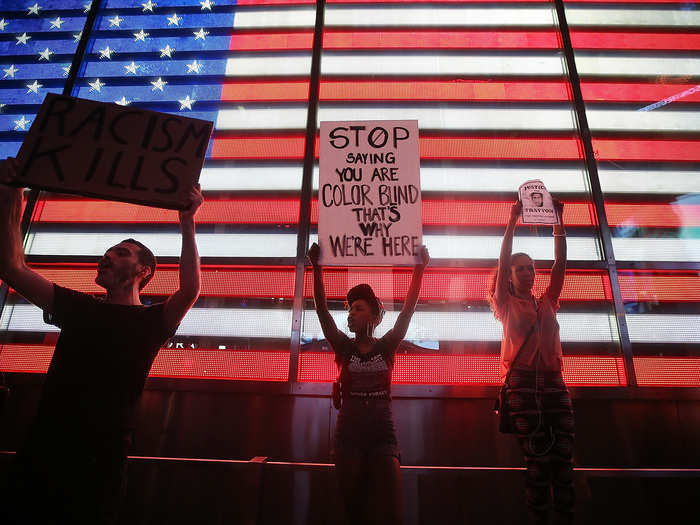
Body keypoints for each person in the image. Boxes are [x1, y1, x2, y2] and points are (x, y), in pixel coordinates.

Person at [0, 157, 203, 524]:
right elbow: (13, 267)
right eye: (107, 252)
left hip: (101, 465)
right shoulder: (78, 307)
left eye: (120, 253)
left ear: (144, 272)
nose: (106, 257)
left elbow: (190, 288)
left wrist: (187, 221)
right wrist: (11, 195)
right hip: (44, 454)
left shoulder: (151, 321)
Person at [307, 241, 429, 525]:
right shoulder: (342, 346)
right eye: (349, 309)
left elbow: (407, 312)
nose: (350, 313)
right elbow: (323, 312)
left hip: (383, 437)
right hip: (348, 437)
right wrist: (316, 268)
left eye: (358, 308)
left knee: (391, 513)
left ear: (374, 315)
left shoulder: (386, 346)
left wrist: (420, 270)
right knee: (352, 512)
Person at [489, 199, 575, 525]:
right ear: (509, 276)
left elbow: (561, 265)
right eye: (520, 267)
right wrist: (511, 221)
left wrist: (558, 222)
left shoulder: (548, 302)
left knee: (564, 464)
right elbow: (502, 257)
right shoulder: (506, 304)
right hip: (522, 387)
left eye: (530, 267)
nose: (528, 272)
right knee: (538, 463)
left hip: (555, 384)